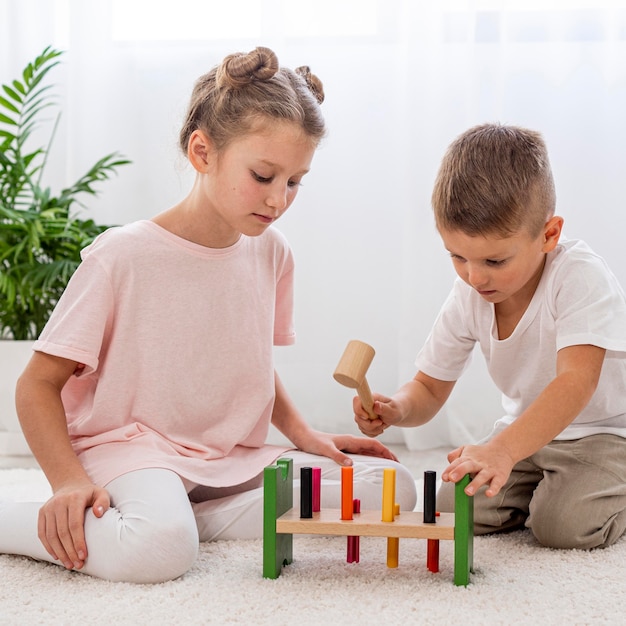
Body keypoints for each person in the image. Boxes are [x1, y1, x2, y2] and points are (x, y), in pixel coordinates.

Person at [0, 47, 416, 583]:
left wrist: (305, 434)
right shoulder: (121, 256)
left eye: (294, 181)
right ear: (202, 151)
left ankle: (180, 517)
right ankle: (93, 521)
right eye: (263, 175)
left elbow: (248, 358)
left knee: (390, 486)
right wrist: (66, 484)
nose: (279, 199)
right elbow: (36, 385)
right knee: (160, 553)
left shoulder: (271, 252)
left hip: (227, 456)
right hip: (132, 449)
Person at [355, 123, 626, 550]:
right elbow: (428, 386)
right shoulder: (470, 292)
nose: (474, 276)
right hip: (523, 435)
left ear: (549, 235)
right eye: (457, 257)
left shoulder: (579, 277)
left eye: (494, 260)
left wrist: (501, 450)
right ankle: (540, 491)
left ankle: (584, 492)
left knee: (564, 527)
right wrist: (398, 409)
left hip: (603, 436)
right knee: (452, 506)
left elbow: (576, 382)